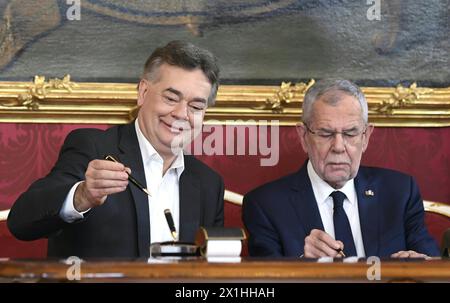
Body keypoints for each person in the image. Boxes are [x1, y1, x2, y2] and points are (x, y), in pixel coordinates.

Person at [7, 41, 224, 259]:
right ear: (143, 92)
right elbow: (21, 223)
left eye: (195, 107)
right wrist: (82, 195)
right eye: (170, 98)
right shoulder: (93, 147)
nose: (181, 114)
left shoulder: (209, 183)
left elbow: (214, 267)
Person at [242, 79, 440, 258]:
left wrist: (420, 266)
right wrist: (303, 265)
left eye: (350, 133)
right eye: (326, 133)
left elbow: (434, 265)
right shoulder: (265, 205)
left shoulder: (400, 192)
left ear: (366, 137)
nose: (338, 146)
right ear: (303, 137)